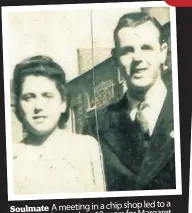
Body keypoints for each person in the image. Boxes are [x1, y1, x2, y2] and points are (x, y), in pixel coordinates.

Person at [83, 12, 175, 191]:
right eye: (127, 51)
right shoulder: (96, 126)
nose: (138, 58)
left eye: (146, 48)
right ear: (116, 58)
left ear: (163, 52)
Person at [11, 55, 106, 194]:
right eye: (29, 97)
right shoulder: (12, 157)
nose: (38, 106)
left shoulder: (86, 148)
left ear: (63, 103)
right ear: (18, 106)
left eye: (47, 96)